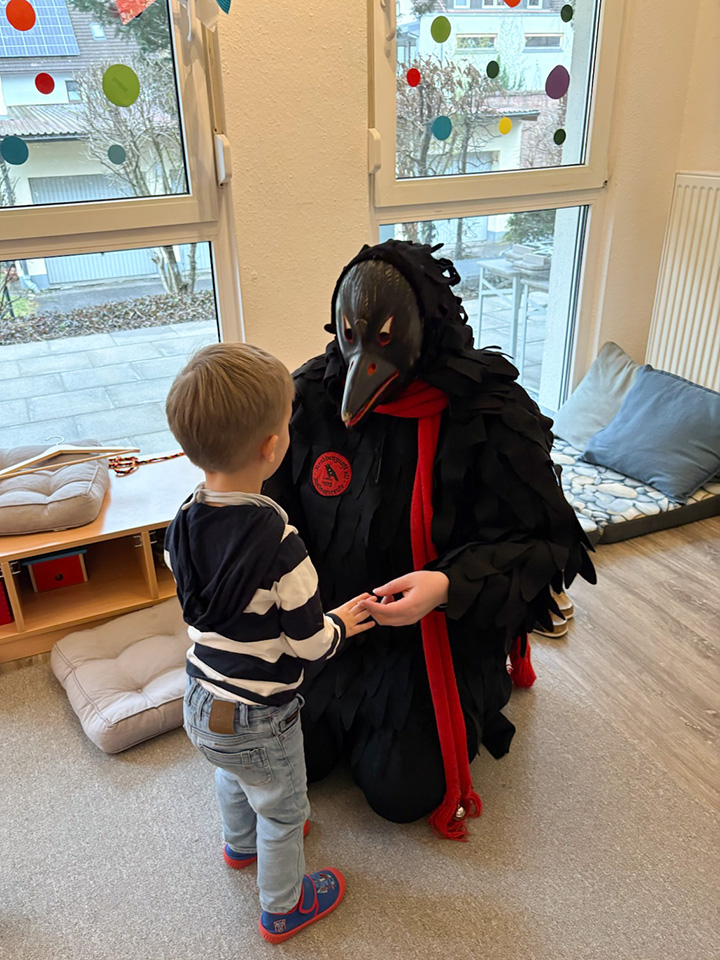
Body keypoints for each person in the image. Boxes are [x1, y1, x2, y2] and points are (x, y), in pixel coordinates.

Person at [264, 240, 596, 837]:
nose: (362, 365)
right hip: (331, 621)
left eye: (384, 342)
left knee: (400, 791)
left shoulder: (490, 412)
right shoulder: (309, 395)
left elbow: (548, 546)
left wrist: (446, 584)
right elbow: (270, 515)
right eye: (352, 338)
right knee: (291, 758)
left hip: (438, 631)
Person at [163, 343, 375, 943]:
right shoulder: (282, 544)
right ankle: (283, 906)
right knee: (284, 811)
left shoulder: (181, 520)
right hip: (260, 714)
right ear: (274, 446)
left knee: (232, 773)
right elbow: (309, 645)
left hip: (199, 697)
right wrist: (342, 624)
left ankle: (239, 846)